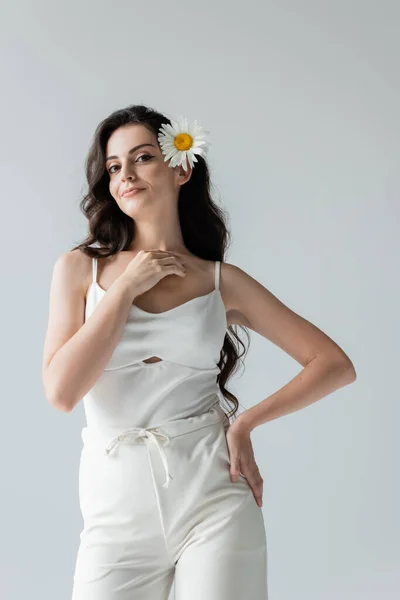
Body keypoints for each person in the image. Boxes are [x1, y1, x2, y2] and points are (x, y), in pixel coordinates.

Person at [42, 104, 357, 600]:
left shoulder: (219, 282)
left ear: (181, 167)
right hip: (114, 512)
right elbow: (61, 392)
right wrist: (126, 289)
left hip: (213, 496)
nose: (125, 175)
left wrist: (244, 423)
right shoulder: (80, 270)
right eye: (114, 166)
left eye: (143, 158)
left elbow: (334, 365)